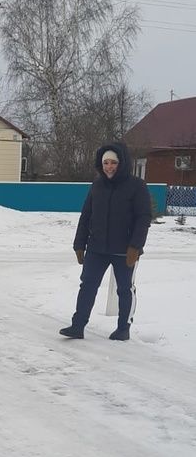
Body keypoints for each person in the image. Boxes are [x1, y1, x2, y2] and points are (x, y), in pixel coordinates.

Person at [59, 142, 152, 341]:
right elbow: (86, 215)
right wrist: (79, 244)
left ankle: (123, 328)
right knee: (87, 285)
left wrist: (135, 246)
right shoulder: (97, 185)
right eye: (106, 163)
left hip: (125, 250)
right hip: (97, 248)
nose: (109, 167)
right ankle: (78, 326)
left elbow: (143, 218)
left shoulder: (136, 186)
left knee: (125, 289)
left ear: (122, 163)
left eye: (113, 163)